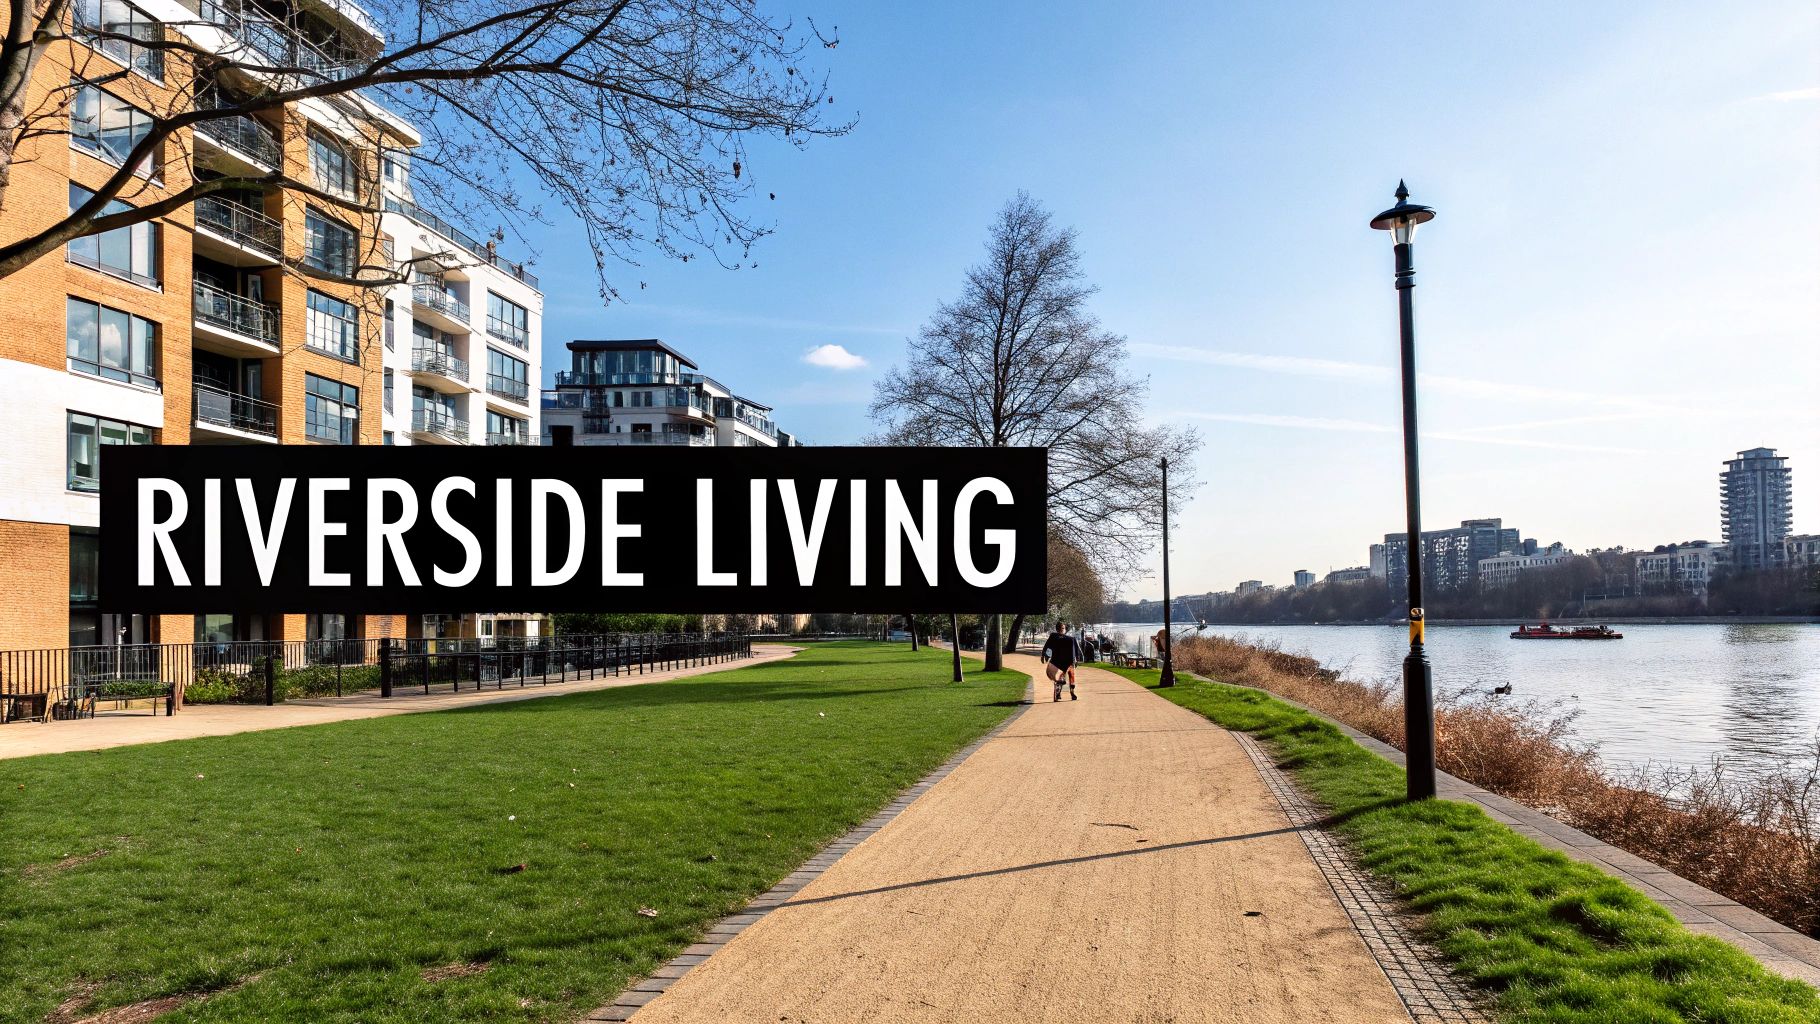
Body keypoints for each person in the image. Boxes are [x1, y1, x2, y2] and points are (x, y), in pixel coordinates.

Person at [1040, 620, 1082, 702]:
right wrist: (1044, 655)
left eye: (1062, 628)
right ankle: (1059, 692)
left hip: (1067, 662)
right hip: (1059, 662)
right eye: (1061, 628)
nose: (1062, 630)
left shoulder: (1069, 639)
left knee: (1070, 675)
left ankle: (1071, 692)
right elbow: (1047, 646)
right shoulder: (1057, 637)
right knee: (1062, 676)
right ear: (1058, 629)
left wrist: (1076, 659)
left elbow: (1047, 646)